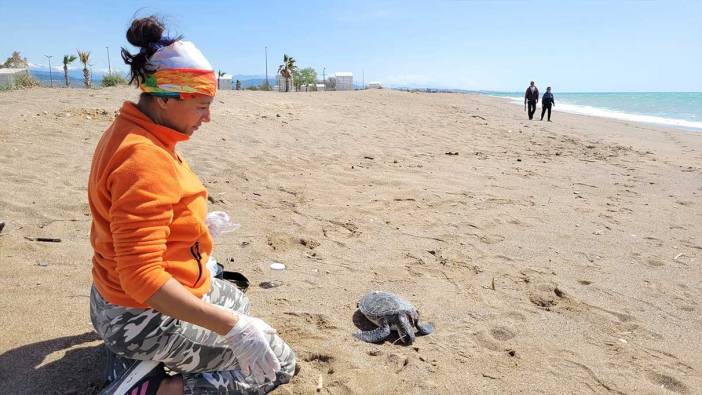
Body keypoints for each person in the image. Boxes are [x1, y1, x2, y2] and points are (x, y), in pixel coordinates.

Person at [88, 16, 296, 394]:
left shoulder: (134, 131)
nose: (208, 117)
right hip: (138, 315)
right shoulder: (144, 159)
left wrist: (193, 225)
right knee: (278, 363)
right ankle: (151, 388)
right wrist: (232, 330)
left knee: (238, 301)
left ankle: (132, 358)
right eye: (201, 105)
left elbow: (134, 219)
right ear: (165, 99)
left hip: (112, 297)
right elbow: (142, 279)